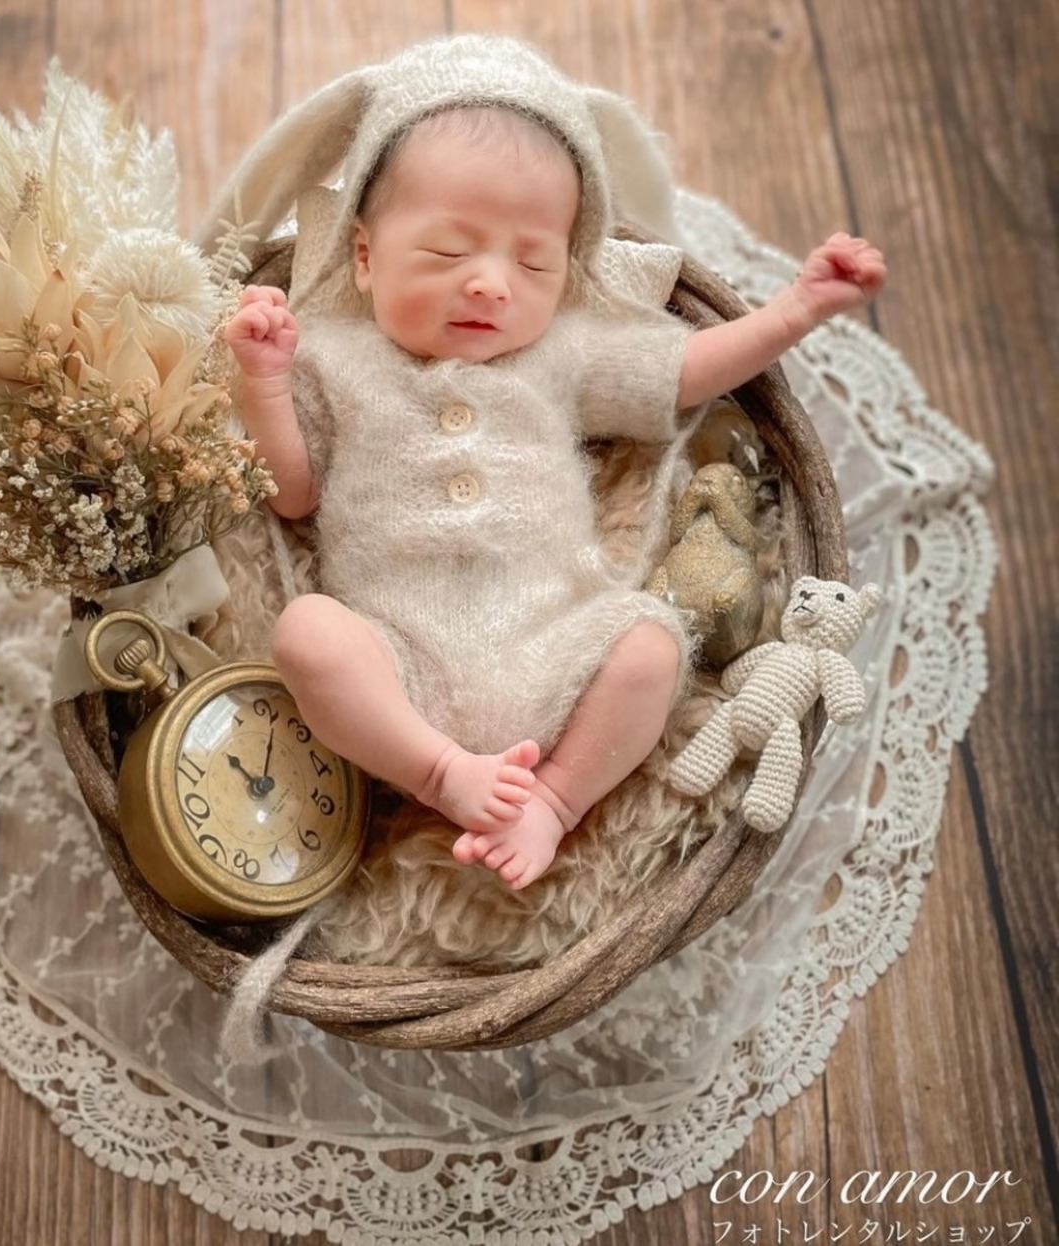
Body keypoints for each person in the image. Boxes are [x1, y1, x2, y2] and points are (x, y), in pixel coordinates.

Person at [223, 67, 885, 893]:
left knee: (651, 642)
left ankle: (554, 800)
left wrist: (795, 310)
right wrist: (265, 382)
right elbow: (292, 496)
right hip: (395, 667)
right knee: (307, 633)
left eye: (534, 264)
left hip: (554, 649)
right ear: (363, 257)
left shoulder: (560, 354)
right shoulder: (332, 358)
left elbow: (684, 371)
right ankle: (439, 772)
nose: (490, 283)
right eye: (447, 251)